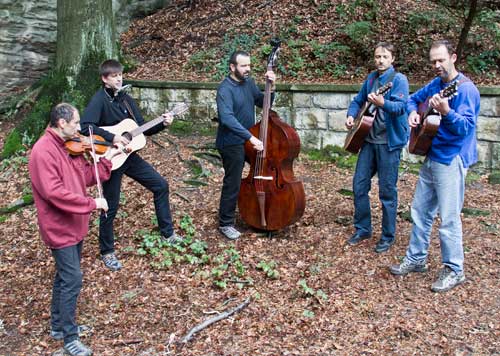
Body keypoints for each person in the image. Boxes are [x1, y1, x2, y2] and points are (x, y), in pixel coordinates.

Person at [390, 40, 480, 292]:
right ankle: (417, 258)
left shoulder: (466, 90)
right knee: (420, 210)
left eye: (441, 60)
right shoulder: (436, 85)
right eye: (433, 61)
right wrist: (412, 113)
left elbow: (465, 128)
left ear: (453, 58)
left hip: (451, 158)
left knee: (449, 218)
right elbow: (411, 100)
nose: (437, 65)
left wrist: (447, 111)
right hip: (431, 153)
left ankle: (454, 269)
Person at [29, 103, 118, 356]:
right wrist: (92, 203)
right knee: (72, 279)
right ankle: (70, 338)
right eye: (76, 124)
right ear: (61, 123)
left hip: (75, 224)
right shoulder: (43, 152)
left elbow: (87, 178)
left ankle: (58, 326)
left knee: (64, 277)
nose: (80, 128)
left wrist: (107, 161)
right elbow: (54, 193)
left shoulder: (72, 147)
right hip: (59, 227)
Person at [80, 59, 182, 272]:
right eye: (114, 76)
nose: (119, 78)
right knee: (110, 205)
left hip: (130, 157)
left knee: (161, 185)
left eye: (120, 75)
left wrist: (163, 123)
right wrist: (113, 137)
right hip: (110, 160)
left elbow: (141, 129)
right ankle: (107, 251)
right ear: (104, 79)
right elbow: (86, 127)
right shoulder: (99, 100)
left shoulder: (126, 99)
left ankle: (168, 233)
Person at [345, 42, 410, 253]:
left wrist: (383, 103)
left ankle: (388, 236)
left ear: (392, 59)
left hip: (389, 144)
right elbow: (358, 101)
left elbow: (401, 108)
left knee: (387, 192)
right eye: (377, 57)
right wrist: (351, 115)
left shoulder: (398, 80)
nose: (380, 60)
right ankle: (363, 228)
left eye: (384, 57)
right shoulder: (372, 78)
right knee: (359, 186)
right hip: (368, 142)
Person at [216, 50, 276, 240]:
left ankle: (263, 212)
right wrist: (250, 137)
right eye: (243, 66)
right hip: (231, 143)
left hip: (250, 140)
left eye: (249, 65)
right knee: (233, 182)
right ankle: (225, 223)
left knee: (264, 173)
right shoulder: (224, 89)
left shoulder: (249, 83)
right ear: (232, 67)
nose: (248, 69)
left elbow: (263, 103)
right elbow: (227, 119)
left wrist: (271, 87)